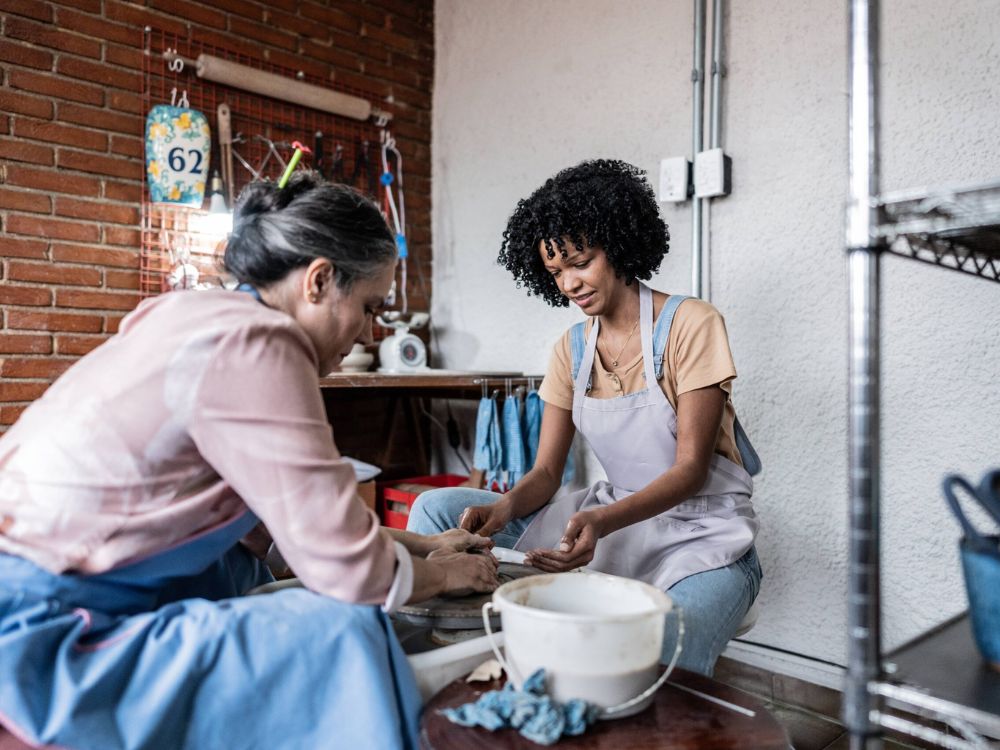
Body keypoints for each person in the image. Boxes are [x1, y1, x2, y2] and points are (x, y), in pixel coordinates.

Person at [0, 172, 498, 750]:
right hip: (43, 635)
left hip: (33, 586)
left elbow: (279, 535)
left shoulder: (190, 314)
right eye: (368, 306)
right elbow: (348, 573)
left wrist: (423, 546)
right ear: (318, 280)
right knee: (343, 629)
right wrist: (443, 574)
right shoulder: (260, 343)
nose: (366, 329)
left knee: (239, 566)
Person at [408, 159, 761, 676]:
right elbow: (547, 474)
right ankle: (459, 671)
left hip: (703, 536)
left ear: (617, 242)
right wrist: (504, 509)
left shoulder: (691, 324)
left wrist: (600, 521)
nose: (570, 282)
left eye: (581, 261)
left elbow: (690, 472)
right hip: (611, 522)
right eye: (555, 272)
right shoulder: (570, 350)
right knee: (438, 509)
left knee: (655, 655)